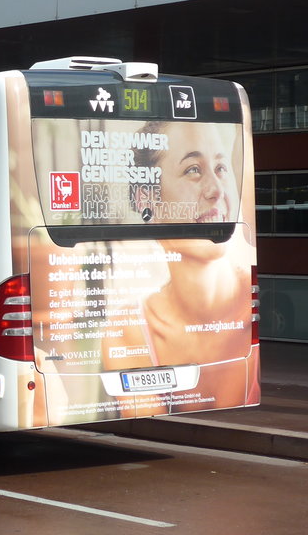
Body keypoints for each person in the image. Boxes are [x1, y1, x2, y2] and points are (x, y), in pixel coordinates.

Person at [103, 120, 255, 414]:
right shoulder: (128, 332)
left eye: (221, 168)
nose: (216, 191)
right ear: (146, 199)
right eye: (193, 170)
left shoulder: (251, 307)